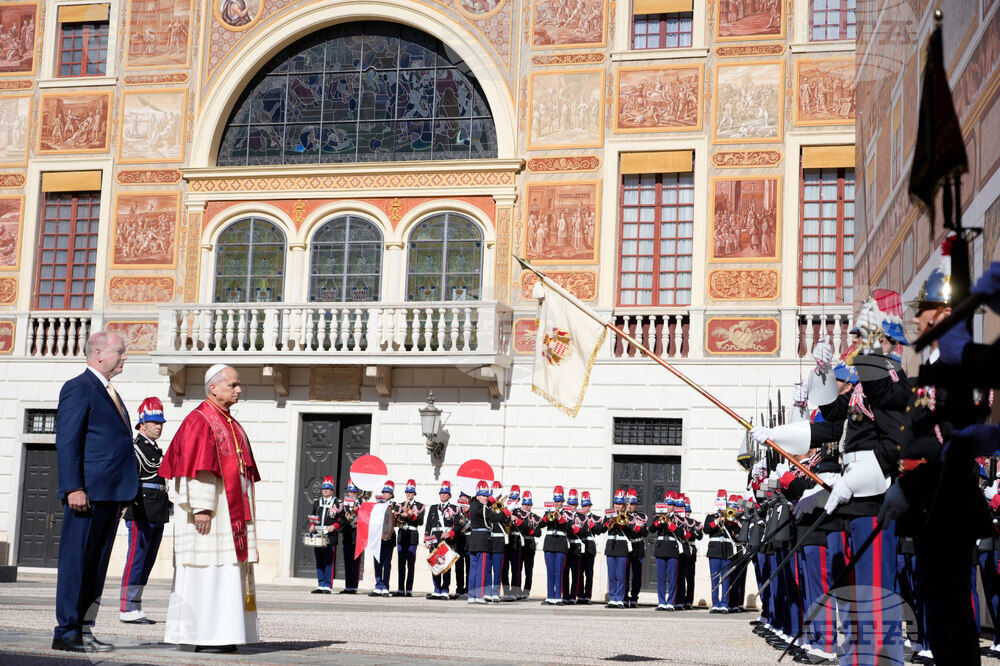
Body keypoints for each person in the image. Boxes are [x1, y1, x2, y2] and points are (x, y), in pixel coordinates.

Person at [159, 364, 260, 653]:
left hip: (231, 516)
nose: (239, 389)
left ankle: (225, 634)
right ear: (214, 388)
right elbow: (196, 469)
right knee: (209, 572)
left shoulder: (229, 421)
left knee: (226, 571)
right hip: (210, 515)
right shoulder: (200, 420)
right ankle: (205, 635)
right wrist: (201, 507)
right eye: (233, 385)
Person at [53, 331, 135, 653]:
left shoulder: (110, 391)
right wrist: (73, 487)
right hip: (86, 494)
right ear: (99, 354)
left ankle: (85, 628)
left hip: (111, 494)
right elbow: (68, 441)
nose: (125, 357)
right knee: (77, 562)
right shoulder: (79, 387)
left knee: (97, 565)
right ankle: (66, 631)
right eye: (120, 352)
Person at [120, 397, 170, 624]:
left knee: (147, 561)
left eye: (160, 422)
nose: (158, 426)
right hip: (140, 508)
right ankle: (126, 607)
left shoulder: (154, 449)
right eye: (153, 422)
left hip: (157, 509)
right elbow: (128, 480)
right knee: (136, 559)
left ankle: (136, 606)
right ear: (141, 424)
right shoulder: (134, 447)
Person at [307, 476, 340, 594]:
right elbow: (313, 516)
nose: (325, 491)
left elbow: (342, 519)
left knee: (329, 560)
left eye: (328, 489)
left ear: (332, 491)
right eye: (323, 489)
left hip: (330, 536)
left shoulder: (337, 503)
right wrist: (312, 525)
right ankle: (321, 584)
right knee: (319, 560)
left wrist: (334, 526)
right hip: (318, 535)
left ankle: (328, 585)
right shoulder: (317, 502)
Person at [424, 480, 456, 599]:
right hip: (435, 539)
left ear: (449, 495)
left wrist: (450, 534)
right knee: (435, 564)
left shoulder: (453, 508)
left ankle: (445, 589)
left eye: (445, 493)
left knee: (446, 565)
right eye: (441, 493)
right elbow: (428, 525)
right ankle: (437, 588)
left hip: (446, 540)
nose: (443, 495)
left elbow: (456, 524)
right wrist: (427, 540)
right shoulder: (433, 508)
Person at [395, 479, 425, 597]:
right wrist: (400, 516)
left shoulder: (420, 506)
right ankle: (400, 589)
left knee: (410, 564)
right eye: (407, 492)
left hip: (412, 536)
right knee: (401, 564)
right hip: (402, 535)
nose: (409, 494)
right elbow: (396, 519)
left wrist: (412, 516)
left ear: (414, 493)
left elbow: (421, 521)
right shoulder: (400, 505)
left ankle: (409, 589)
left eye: (411, 492)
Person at [604, 489, 630, 609]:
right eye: (616, 503)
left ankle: (620, 599)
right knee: (612, 574)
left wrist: (620, 522)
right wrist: (608, 522)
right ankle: (612, 598)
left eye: (619, 504)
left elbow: (630, 531)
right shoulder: (609, 514)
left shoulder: (627, 516)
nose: (617, 506)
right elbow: (600, 529)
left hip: (621, 548)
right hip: (611, 547)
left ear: (624, 505)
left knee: (621, 575)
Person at [371, 481, 396, 597]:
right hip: (377, 536)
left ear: (392, 494)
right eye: (384, 492)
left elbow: (398, 520)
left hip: (389, 536)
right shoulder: (377, 505)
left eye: (388, 492)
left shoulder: (395, 505)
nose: (385, 494)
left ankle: (385, 586)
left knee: (386, 562)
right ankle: (378, 585)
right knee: (377, 561)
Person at [624, 489, 647, 608]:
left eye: (632, 504)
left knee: (637, 575)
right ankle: (624, 597)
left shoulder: (641, 516)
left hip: (638, 546)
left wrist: (637, 528)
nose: (630, 506)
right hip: (627, 546)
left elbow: (645, 532)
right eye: (629, 503)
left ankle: (634, 598)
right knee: (625, 574)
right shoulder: (623, 516)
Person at [338, 479, 361, 594]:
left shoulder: (361, 504)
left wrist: (357, 511)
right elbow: (341, 518)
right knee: (347, 561)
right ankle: (348, 586)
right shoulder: (343, 504)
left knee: (356, 562)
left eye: (354, 492)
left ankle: (354, 587)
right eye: (350, 492)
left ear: (357, 493)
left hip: (357, 536)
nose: (352, 494)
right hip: (347, 534)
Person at [520, 491, 540, 600]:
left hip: (530, 543)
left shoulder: (535, 517)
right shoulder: (518, 514)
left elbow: (539, 532)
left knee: (528, 570)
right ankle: (517, 590)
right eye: (525, 504)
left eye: (529, 505)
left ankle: (526, 591)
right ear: (522, 505)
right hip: (520, 543)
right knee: (518, 569)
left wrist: (531, 531)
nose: (527, 507)